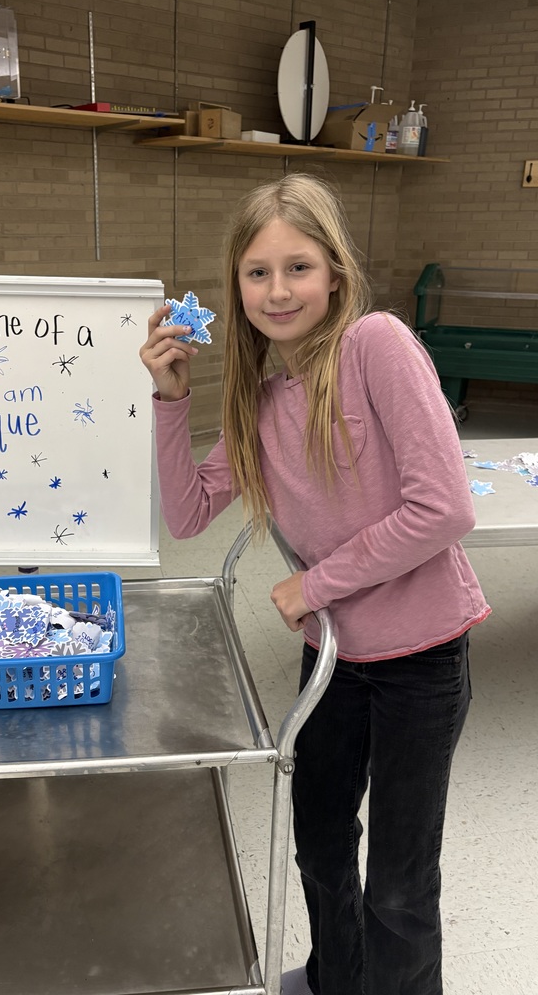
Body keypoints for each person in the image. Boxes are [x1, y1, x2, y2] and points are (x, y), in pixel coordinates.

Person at [139, 173, 490, 995]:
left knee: (401, 881)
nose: (278, 289)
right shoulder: (259, 397)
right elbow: (188, 515)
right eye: (257, 272)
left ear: (334, 272)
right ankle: (337, 977)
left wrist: (315, 585)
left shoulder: (377, 344)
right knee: (321, 841)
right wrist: (170, 398)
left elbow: (444, 509)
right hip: (334, 662)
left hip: (421, 659)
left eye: (297, 267)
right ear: (235, 287)